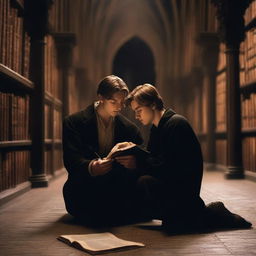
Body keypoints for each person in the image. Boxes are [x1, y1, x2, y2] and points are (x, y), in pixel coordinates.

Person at [126, 83, 252, 233]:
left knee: (145, 182)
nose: (136, 116)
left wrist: (139, 159)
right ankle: (200, 214)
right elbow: (154, 160)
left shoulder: (177, 124)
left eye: (139, 110)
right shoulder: (156, 128)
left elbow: (170, 169)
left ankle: (213, 212)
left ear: (153, 104)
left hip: (183, 193)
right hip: (171, 186)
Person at [62, 75, 144, 226]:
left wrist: (135, 163)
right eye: (113, 102)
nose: (119, 107)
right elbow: (70, 159)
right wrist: (92, 167)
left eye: (122, 103)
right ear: (100, 98)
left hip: (116, 190)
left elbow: (142, 158)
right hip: (84, 188)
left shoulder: (131, 129)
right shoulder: (73, 122)